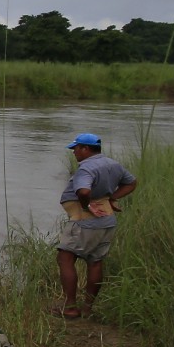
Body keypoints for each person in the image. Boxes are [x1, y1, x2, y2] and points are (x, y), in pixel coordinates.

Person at [55, 133, 137, 317]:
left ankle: (70, 308)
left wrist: (87, 205)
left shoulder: (86, 168)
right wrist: (112, 197)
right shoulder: (112, 163)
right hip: (106, 220)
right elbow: (132, 182)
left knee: (65, 258)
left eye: (75, 148)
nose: (74, 152)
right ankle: (88, 307)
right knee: (95, 261)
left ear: (85, 148)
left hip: (85, 222)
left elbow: (83, 191)